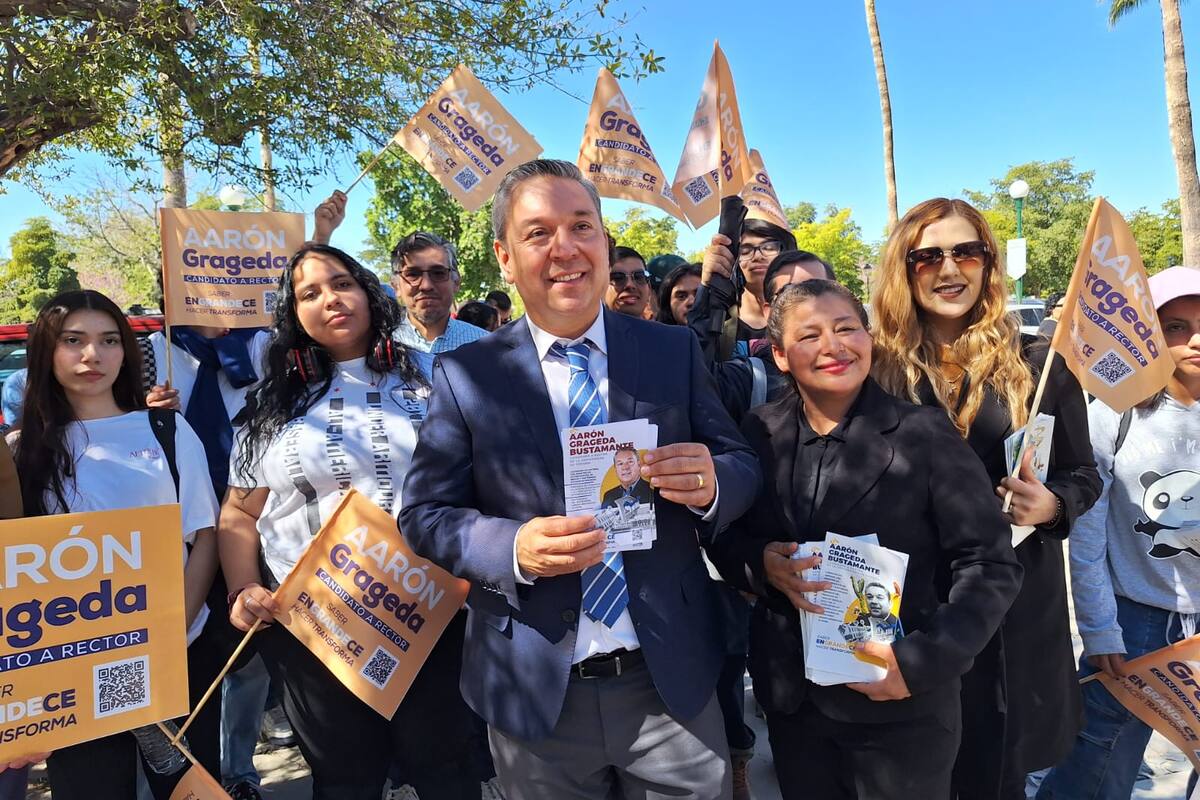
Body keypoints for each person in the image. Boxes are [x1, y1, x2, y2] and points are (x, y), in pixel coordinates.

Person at [399, 159, 761, 800]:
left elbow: (740, 464)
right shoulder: (464, 374)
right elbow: (425, 514)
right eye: (538, 233)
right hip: (535, 688)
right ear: (504, 258)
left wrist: (711, 482)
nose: (564, 249)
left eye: (581, 226)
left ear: (602, 238)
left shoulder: (669, 352)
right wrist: (512, 548)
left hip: (669, 682)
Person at [707, 278, 1022, 799]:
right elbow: (725, 534)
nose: (833, 346)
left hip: (900, 705)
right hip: (794, 703)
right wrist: (761, 565)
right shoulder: (758, 431)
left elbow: (991, 564)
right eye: (810, 336)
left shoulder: (924, 433)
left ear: (868, 339)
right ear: (781, 356)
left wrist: (925, 660)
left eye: (846, 328)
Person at [219, 244, 487, 800]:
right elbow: (240, 512)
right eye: (309, 293)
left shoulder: (434, 379)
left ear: (369, 292)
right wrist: (243, 587)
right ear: (293, 314)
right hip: (316, 629)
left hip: (429, 614)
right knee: (346, 781)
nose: (330, 299)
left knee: (445, 771)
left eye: (341, 283)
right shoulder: (269, 405)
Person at [870, 198, 1102, 800]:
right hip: (908, 607)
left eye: (966, 252)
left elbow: (1083, 472)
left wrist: (1051, 506)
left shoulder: (1039, 364)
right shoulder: (873, 368)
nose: (950, 270)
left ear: (988, 264)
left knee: (995, 774)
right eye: (929, 256)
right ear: (905, 267)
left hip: (1013, 612)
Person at [7, 289, 220, 800]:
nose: (91, 356)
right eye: (73, 341)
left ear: (126, 351)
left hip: (176, 656)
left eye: (108, 341)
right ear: (45, 352)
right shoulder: (21, 452)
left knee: (191, 788)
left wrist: (167, 637)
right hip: (71, 670)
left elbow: (204, 537)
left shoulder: (166, 429)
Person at [1036, 266, 1200, 800]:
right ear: (1149, 337)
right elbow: (1087, 541)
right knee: (1096, 763)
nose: (1193, 340)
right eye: (1175, 327)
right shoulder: (1113, 415)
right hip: (1135, 624)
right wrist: (1102, 630)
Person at [689, 218, 798, 361]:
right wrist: (706, 285)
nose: (758, 256)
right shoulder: (720, 319)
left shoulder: (800, 315)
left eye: (769, 247)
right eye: (745, 250)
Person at [388, 231, 489, 353]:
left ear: (456, 282)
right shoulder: (380, 349)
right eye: (413, 274)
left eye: (438, 273)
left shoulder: (486, 347)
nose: (426, 285)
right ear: (396, 286)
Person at [605, 245, 652, 319]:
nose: (630, 285)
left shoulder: (666, 330)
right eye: (618, 278)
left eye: (639, 276)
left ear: (649, 288)